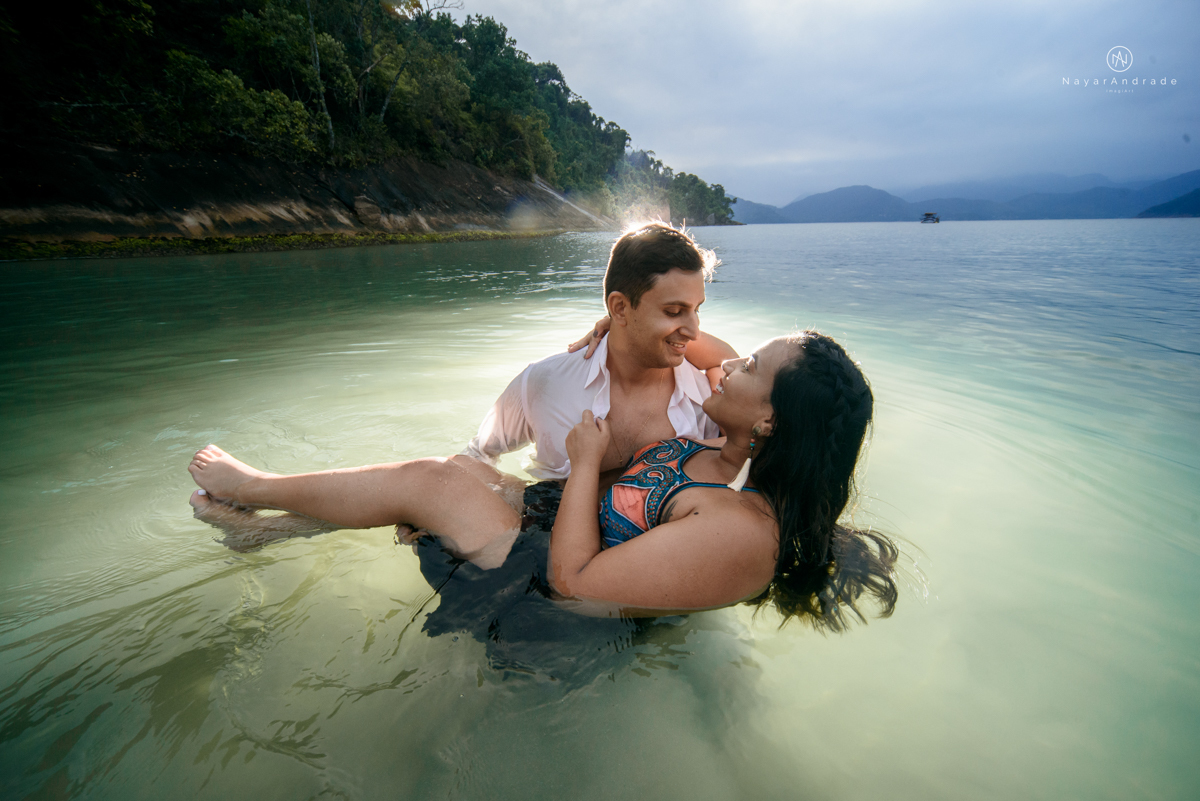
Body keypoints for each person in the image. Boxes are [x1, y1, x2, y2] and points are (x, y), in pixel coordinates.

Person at [189, 331, 899, 628]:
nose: (729, 363)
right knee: (465, 468)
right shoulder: (725, 441)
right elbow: (701, 338)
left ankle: (255, 487)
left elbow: (577, 585)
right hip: (549, 526)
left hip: (547, 605)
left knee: (433, 481)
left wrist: (587, 459)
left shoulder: (742, 532)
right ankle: (268, 533)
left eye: (751, 369)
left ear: (771, 421)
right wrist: (619, 321)